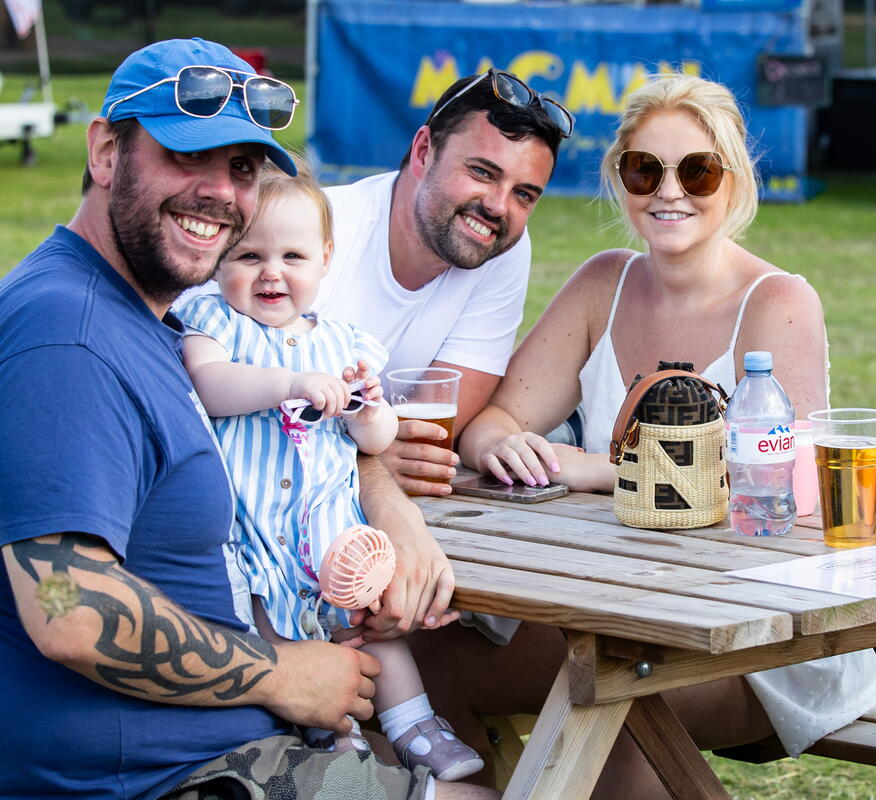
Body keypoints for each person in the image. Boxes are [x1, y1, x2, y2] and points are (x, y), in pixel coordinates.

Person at [0, 38, 491, 800]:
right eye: (186, 157)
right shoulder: (72, 334)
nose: (220, 194)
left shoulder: (152, 318)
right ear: (104, 152)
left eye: (239, 168)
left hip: (228, 745)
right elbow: (68, 609)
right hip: (171, 777)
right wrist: (279, 674)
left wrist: (387, 502)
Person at [433, 74, 876, 796]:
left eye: (696, 170)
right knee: (425, 665)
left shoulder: (778, 301)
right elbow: (496, 418)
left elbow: (783, 492)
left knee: (615, 693)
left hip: (758, 631)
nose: (668, 191)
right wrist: (499, 445)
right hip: (614, 604)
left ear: (733, 181)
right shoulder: (601, 284)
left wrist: (602, 472)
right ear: (621, 180)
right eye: (645, 170)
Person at [176, 162, 484, 780]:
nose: (271, 272)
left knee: (375, 633)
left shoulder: (346, 344)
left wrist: (370, 407)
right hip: (254, 535)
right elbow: (211, 387)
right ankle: (335, 735)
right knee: (285, 642)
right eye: (247, 255)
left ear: (325, 260)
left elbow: (376, 437)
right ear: (220, 262)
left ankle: (415, 726)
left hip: (331, 534)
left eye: (292, 256)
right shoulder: (214, 324)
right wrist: (288, 383)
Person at [314, 70, 570, 497]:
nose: (497, 206)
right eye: (482, 172)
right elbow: (226, 412)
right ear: (422, 152)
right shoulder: (314, 231)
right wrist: (360, 465)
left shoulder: (502, 249)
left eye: (524, 194)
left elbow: (428, 442)